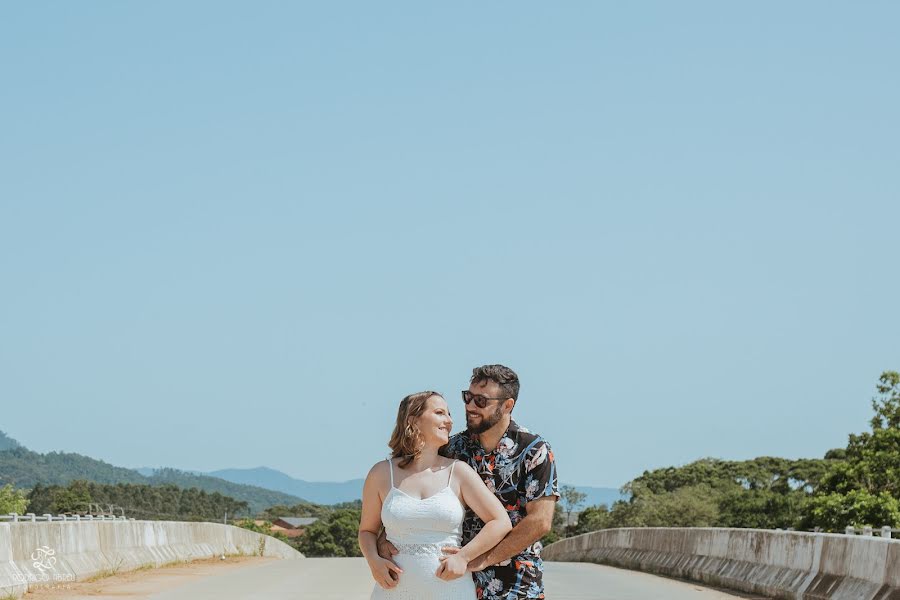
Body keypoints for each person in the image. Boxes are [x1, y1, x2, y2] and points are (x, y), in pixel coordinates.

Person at [380, 365, 560, 600]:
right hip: (452, 582)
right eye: (468, 397)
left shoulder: (534, 450)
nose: (470, 406)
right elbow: (412, 488)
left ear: (507, 405)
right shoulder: (452, 448)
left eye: (481, 401)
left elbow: (540, 522)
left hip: (515, 584)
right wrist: (384, 537)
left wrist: (479, 560)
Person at [359, 391, 512, 599]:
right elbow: (367, 531)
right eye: (440, 413)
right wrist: (374, 562)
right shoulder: (381, 473)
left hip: (451, 591)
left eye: (449, 414)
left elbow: (500, 521)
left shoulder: (458, 472)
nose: (449, 421)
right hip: (393, 592)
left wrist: (464, 557)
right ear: (413, 420)